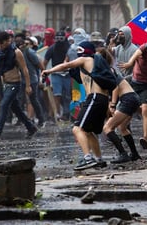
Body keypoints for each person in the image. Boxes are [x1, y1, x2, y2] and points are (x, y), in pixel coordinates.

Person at [41, 41, 109, 170]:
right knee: (88, 131)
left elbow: (67, 65)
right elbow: (71, 69)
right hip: (102, 99)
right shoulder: (95, 63)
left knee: (77, 129)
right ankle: (99, 159)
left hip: (94, 97)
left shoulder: (86, 59)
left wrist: (49, 70)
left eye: (79, 50)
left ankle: (88, 158)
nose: (77, 53)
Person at [0, 31, 39, 141]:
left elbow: (24, 69)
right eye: (1, 43)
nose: (2, 45)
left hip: (15, 84)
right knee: (16, 109)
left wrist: (28, 85)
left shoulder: (17, 52)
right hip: (4, 83)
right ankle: (31, 127)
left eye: (4, 42)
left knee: (4, 105)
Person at [102, 60, 142, 163]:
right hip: (132, 97)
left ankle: (123, 154)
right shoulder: (108, 70)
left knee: (107, 127)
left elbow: (115, 87)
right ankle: (135, 154)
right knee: (122, 128)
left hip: (127, 99)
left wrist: (113, 105)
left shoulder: (107, 71)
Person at [43, 30, 71, 121]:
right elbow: (44, 62)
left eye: (61, 39)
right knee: (57, 94)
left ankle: (66, 113)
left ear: (65, 39)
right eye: (57, 38)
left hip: (68, 74)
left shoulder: (69, 48)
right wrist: (45, 74)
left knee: (67, 95)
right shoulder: (52, 48)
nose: (59, 41)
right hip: (56, 74)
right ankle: (57, 114)